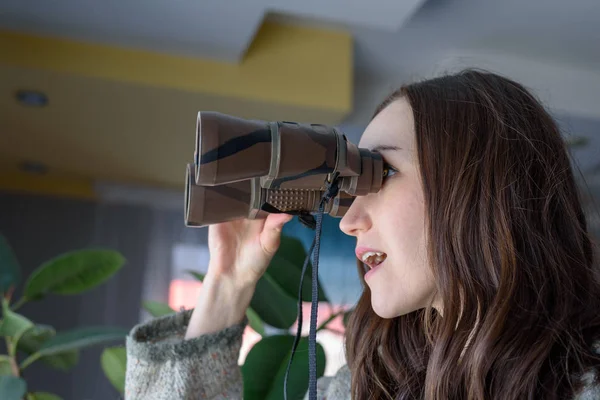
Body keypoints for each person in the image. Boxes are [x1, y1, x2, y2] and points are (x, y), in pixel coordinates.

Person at [125, 70, 600, 399]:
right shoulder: (371, 385)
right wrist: (228, 284)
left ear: (478, 185)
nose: (349, 221)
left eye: (383, 172)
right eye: (348, 192)